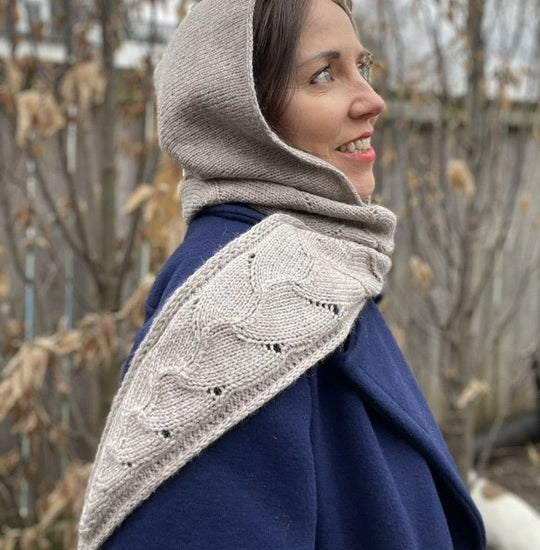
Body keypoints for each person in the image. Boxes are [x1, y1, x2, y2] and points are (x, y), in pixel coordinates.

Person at [78, 0, 486, 548]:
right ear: (242, 113)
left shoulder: (326, 263)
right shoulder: (241, 305)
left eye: (361, 66)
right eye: (324, 75)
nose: (373, 100)